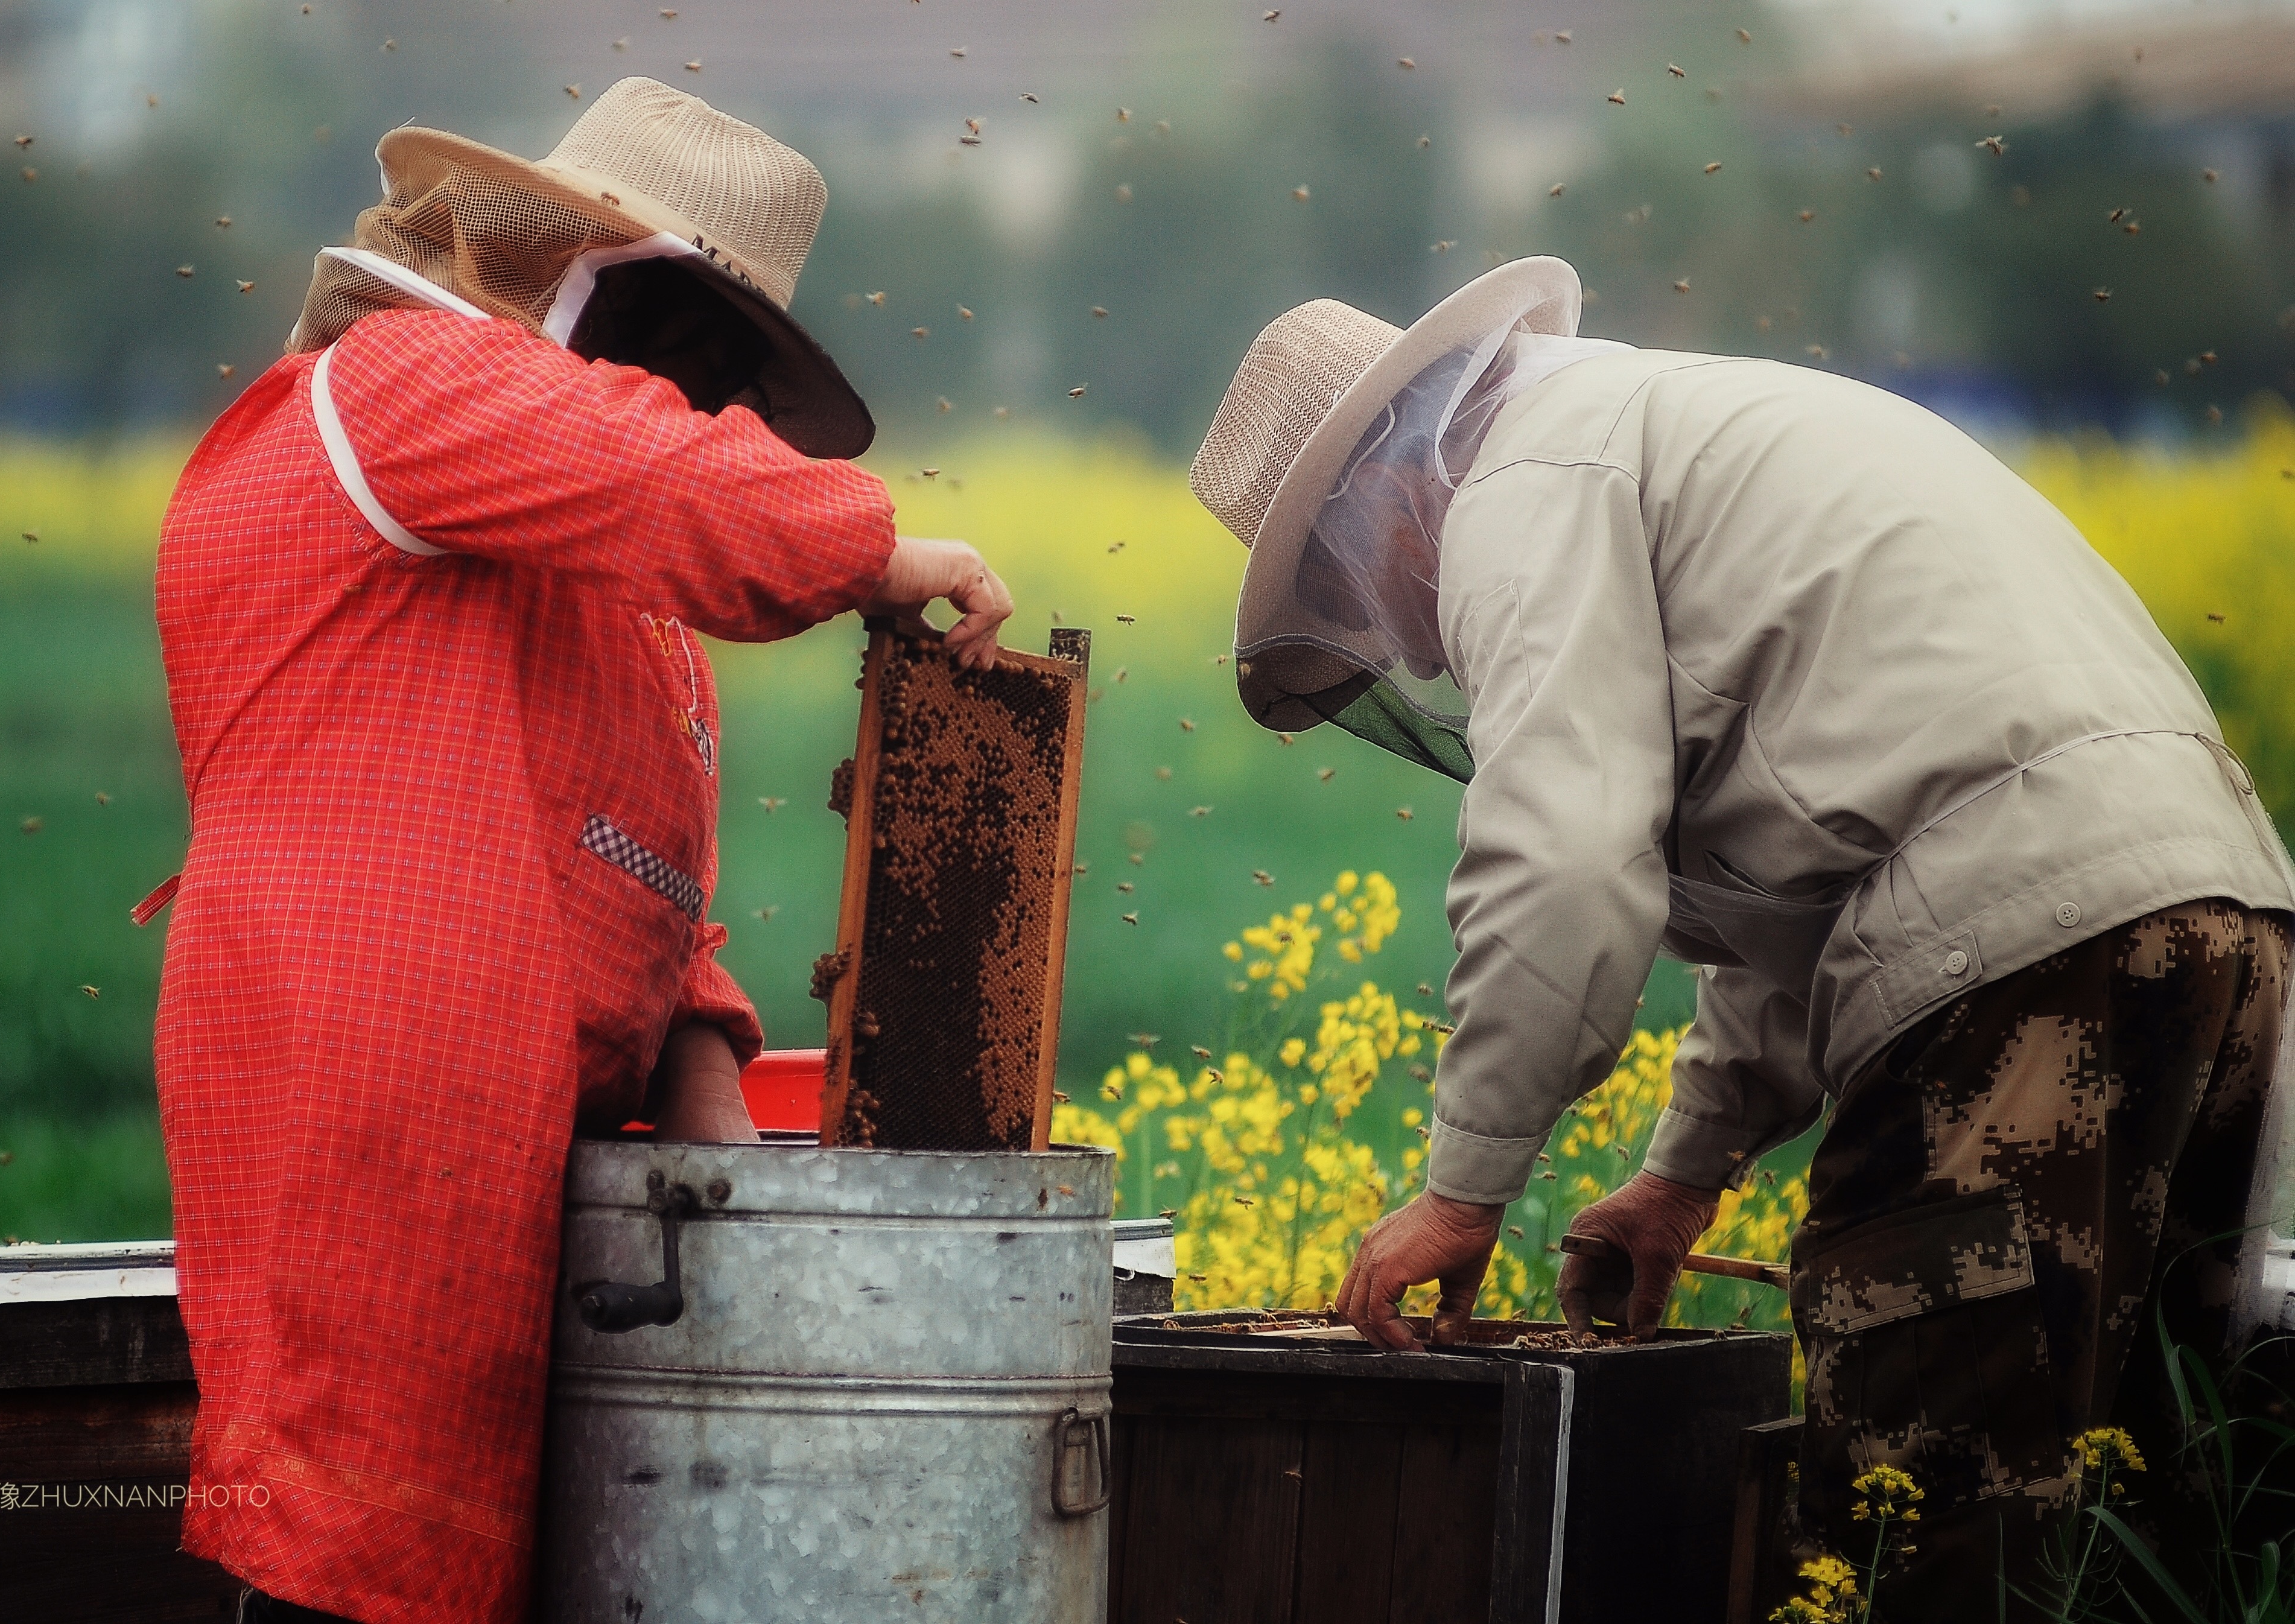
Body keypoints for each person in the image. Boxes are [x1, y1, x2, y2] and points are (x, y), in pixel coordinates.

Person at [1186, 256, 2294, 1616]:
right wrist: (1683, 1173)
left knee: (1923, 1518)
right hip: (2212, 914)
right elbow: (1843, 864)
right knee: (2140, 1503)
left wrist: (1464, 1188)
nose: (1388, 637)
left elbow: (1568, 853)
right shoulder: (1643, 424)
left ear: (1383, 492)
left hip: (2034, 960)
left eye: (1337, 577)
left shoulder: (1524, 490)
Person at [144, 79, 1011, 1624]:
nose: (696, 395)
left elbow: (635, 868)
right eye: (679, 342)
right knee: (360, 1551)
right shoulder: (399, 385)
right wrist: (876, 548)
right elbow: (669, 476)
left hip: (562, 1171)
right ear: (566, 275)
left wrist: (706, 1083)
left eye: (726, 368)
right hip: (370, 1128)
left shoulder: (614, 597)